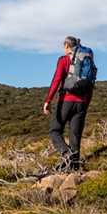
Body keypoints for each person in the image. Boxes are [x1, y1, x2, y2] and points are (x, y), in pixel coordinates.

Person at [43, 36, 92, 172]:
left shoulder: (64, 60)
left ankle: (66, 154)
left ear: (66, 46)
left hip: (66, 101)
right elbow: (90, 85)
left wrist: (48, 100)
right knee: (75, 136)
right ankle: (74, 169)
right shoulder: (86, 61)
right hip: (82, 102)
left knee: (55, 130)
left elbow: (56, 80)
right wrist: (85, 104)